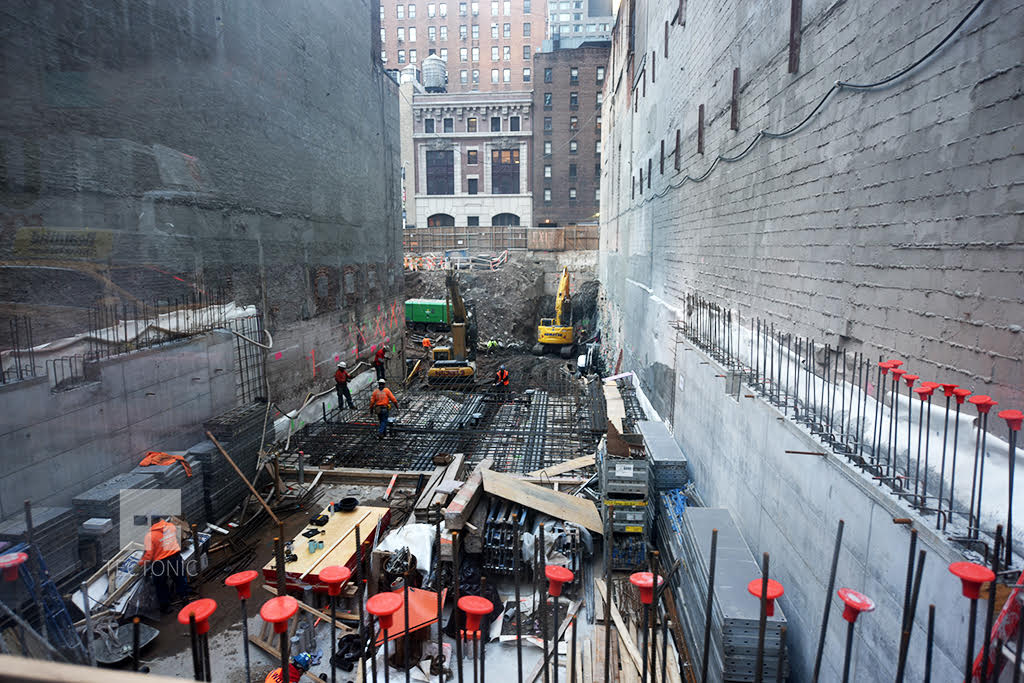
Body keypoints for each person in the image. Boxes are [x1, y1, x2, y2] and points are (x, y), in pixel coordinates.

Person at [139, 516, 188, 614]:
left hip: (160, 563)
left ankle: (166, 607)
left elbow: (148, 555)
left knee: (160, 584)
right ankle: (185, 599)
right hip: (175, 558)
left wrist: (140, 563)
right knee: (180, 579)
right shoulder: (171, 526)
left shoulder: (150, 536)